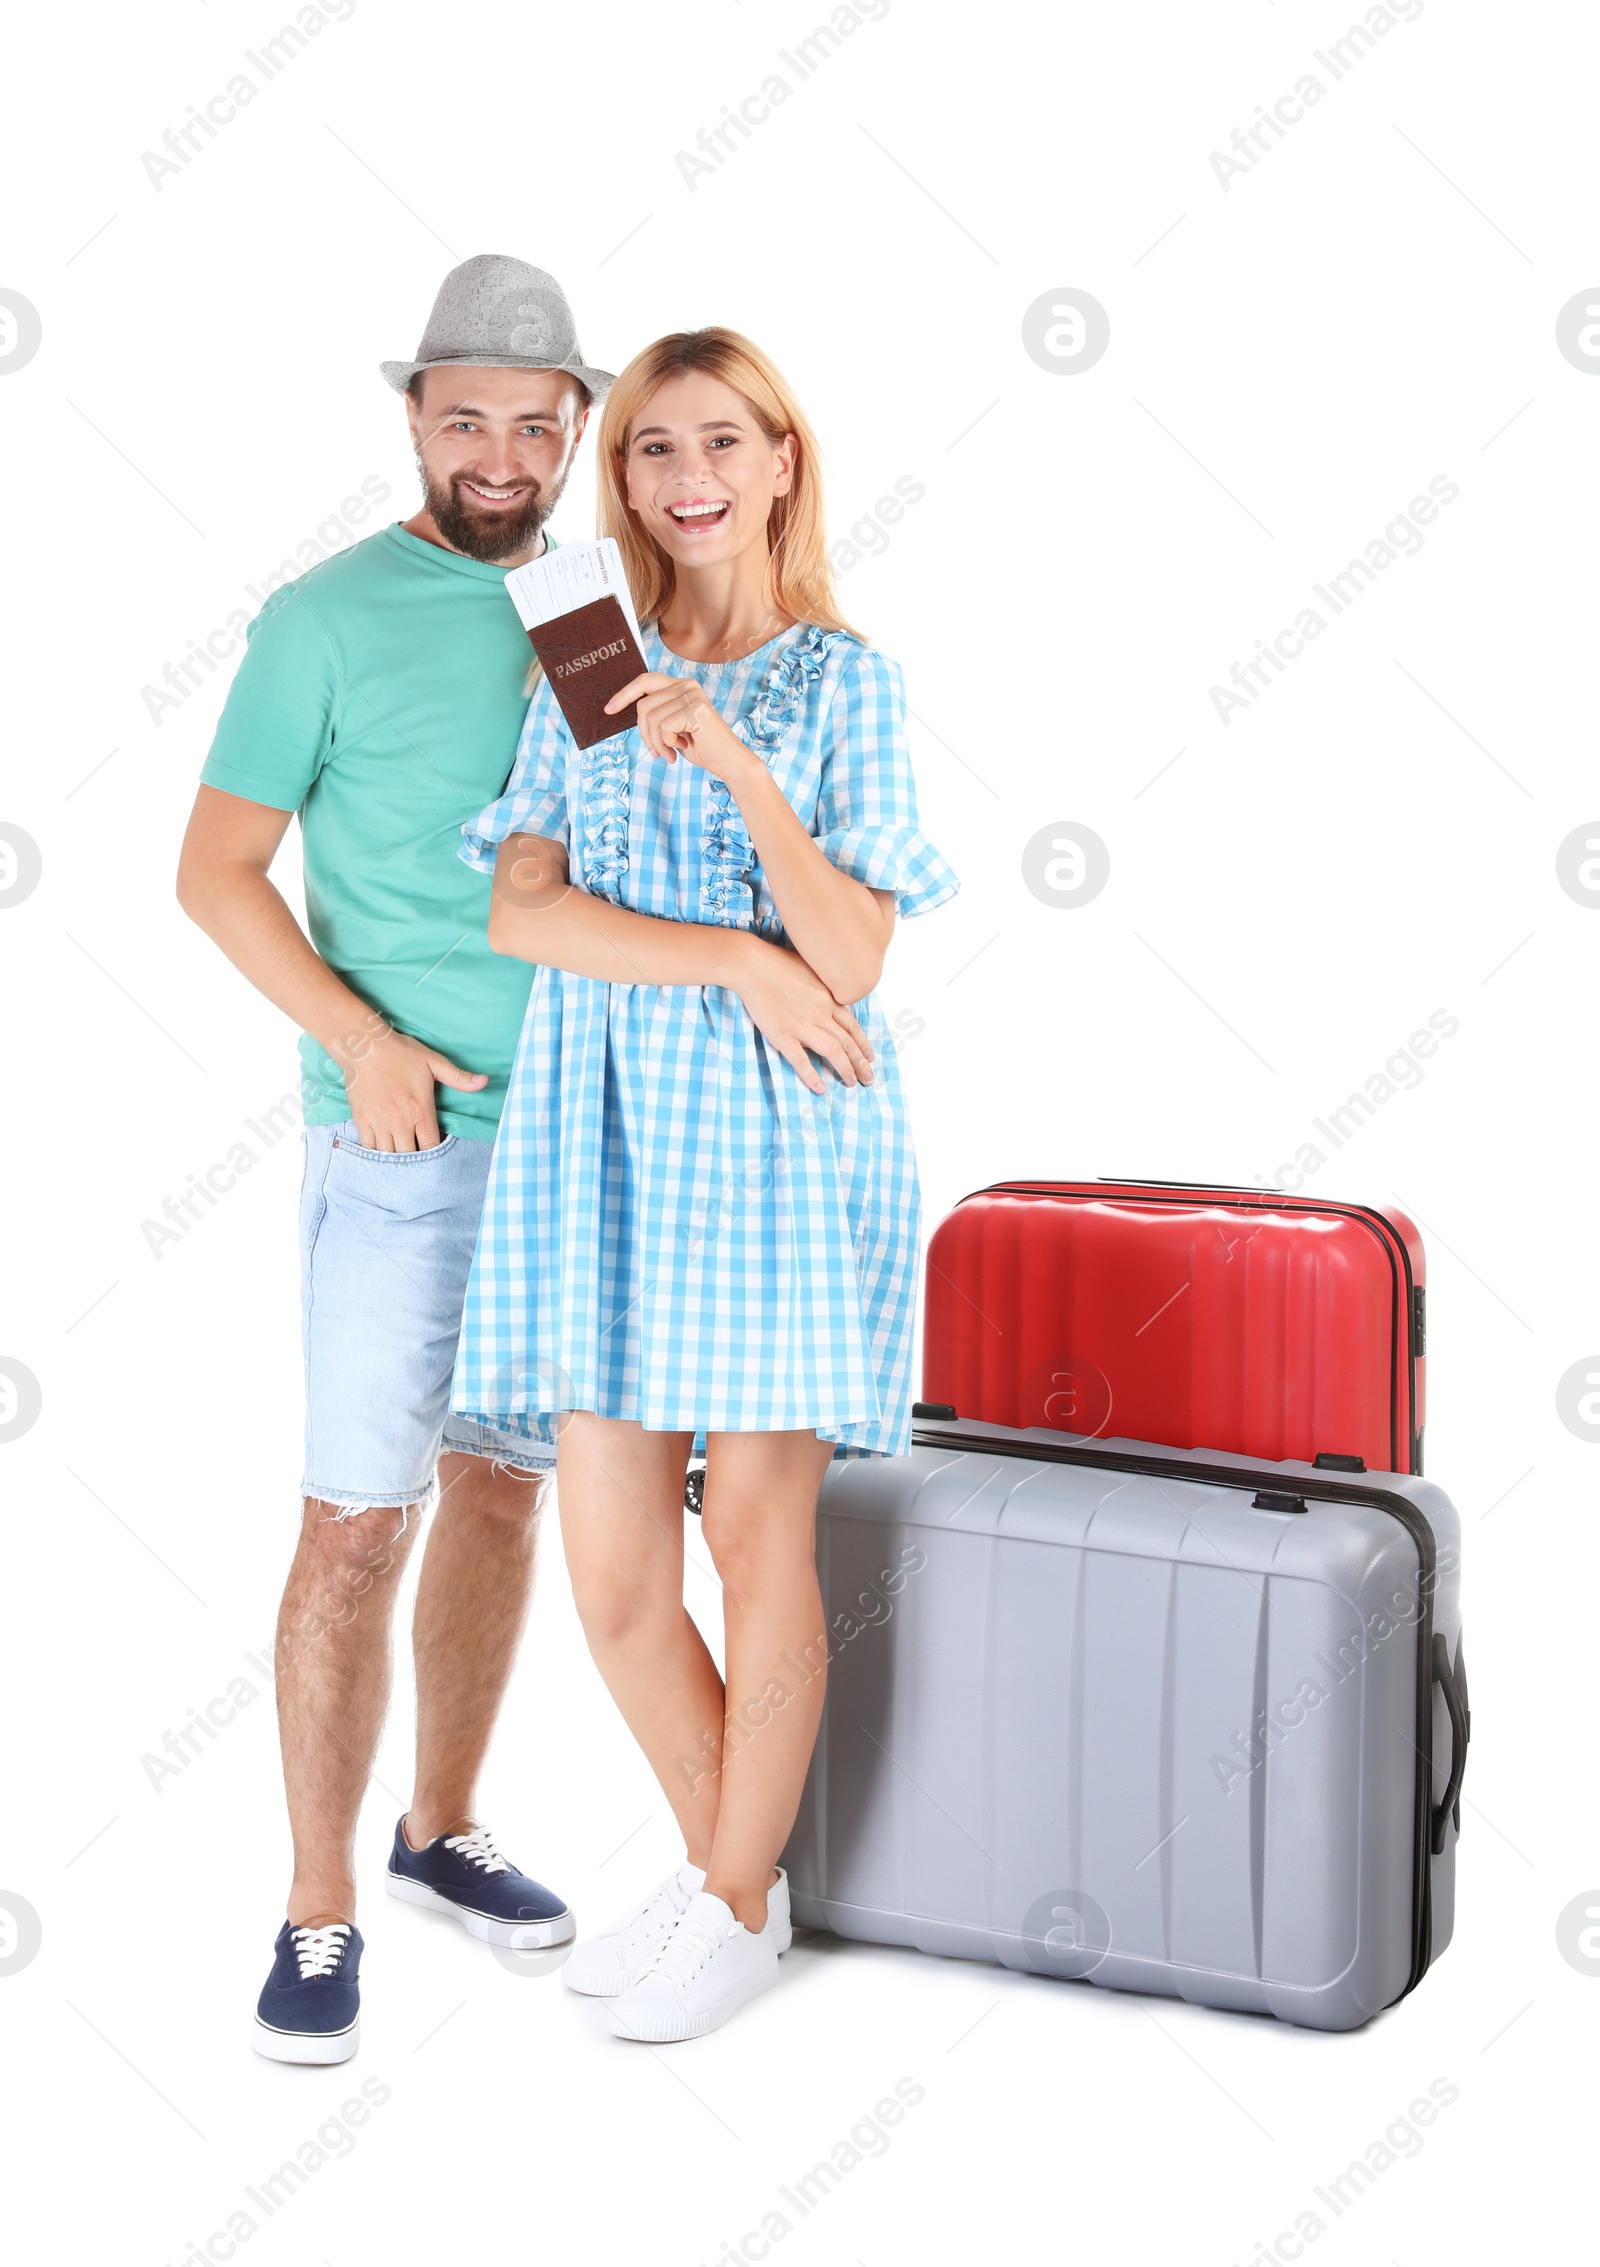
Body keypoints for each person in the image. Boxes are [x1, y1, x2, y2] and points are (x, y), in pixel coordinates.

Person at [451, 327, 959, 2042]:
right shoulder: (578, 668)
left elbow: (858, 954)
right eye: (656, 452)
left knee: (752, 1534)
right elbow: (526, 914)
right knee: (609, 1573)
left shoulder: (842, 684)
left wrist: (737, 770)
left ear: (781, 463)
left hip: (775, 1154)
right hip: (602, 1140)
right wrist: (733, 964)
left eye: (722, 445)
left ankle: (730, 1903)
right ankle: (732, 1878)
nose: (688, 481)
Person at [175, 255, 614, 2064]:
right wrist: (362, 1044)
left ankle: (437, 1835)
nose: (500, 454)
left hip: (580, 1144)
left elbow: (612, 868)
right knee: (357, 1524)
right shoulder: (324, 618)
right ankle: (317, 1908)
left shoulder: (597, 609)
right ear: (414, 420)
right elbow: (212, 872)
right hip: (406, 1145)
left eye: (533, 421)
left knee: (501, 1491)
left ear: (575, 428)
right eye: (465, 419)